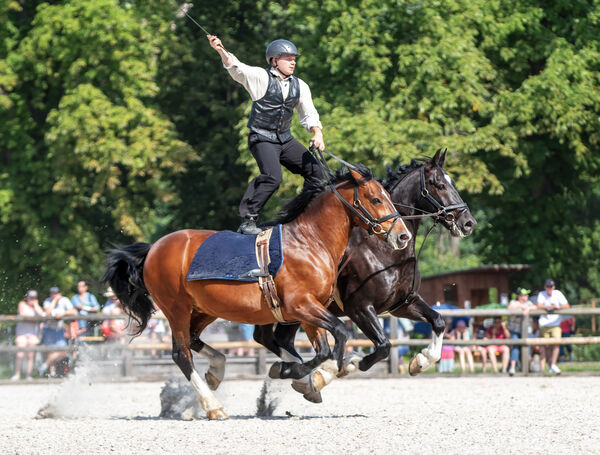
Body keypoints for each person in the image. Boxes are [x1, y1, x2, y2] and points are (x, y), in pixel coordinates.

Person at [208, 35, 326, 234]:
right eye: (288, 58)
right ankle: (248, 220)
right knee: (273, 177)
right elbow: (236, 67)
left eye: (294, 58)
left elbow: (309, 113)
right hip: (261, 137)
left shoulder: (300, 85)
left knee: (317, 172)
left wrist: (317, 133)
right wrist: (220, 50)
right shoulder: (260, 77)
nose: (293, 62)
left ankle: (303, 214)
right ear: (274, 60)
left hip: (285, 139)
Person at [40, 287, 77, 377]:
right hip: (49, 329)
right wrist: (54, 301)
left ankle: (44, 365)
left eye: (56, 293)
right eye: (52, 293)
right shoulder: (47, 301)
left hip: (59, 330)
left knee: (63, 350)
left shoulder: (65, 300)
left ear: (60, 293)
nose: (54, 295)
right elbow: (47, 312)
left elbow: (74, 312)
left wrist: (63, 313)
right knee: (51, 352)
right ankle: (52, 373)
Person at [536, 278, 569, 374]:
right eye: (547, 287)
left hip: (555, 324)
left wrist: (558, 307)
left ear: (554, 287)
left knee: (556, 343)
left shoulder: (558, 294)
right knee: (546, 346)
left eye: (551, 287)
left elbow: (567, 306)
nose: (549, 288)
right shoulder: (541, 294)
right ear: (545, 287)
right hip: (544, 324)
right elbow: (538, 306)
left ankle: (553, 365)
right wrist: (548, 307)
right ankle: (551, 366)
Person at [11, 290, 45, 380]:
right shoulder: (22, 304)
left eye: (33, 298)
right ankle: (17, 374)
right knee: (20, 354)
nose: (31, 300)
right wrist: (34, 319)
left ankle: (28, 375)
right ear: (27, 297)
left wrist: (36, 306)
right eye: (30, 297)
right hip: (21, 333)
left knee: (30, 355)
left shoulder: (36, 308)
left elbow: (42, 315)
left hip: (33, 334)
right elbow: (23, 315)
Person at [507, 287, 536, 376]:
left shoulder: (529, 303)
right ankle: (512, 367)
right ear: (519, 296)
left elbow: (536, 307)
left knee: (528, 348)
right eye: (525, 295)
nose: (527, 296)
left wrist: (528, 309)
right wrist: (522, 306)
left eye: (527, 295)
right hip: (515, 330)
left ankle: (526, 367)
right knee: (515, 347)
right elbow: (509, 308)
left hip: (527, 331)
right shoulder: (514, 302)